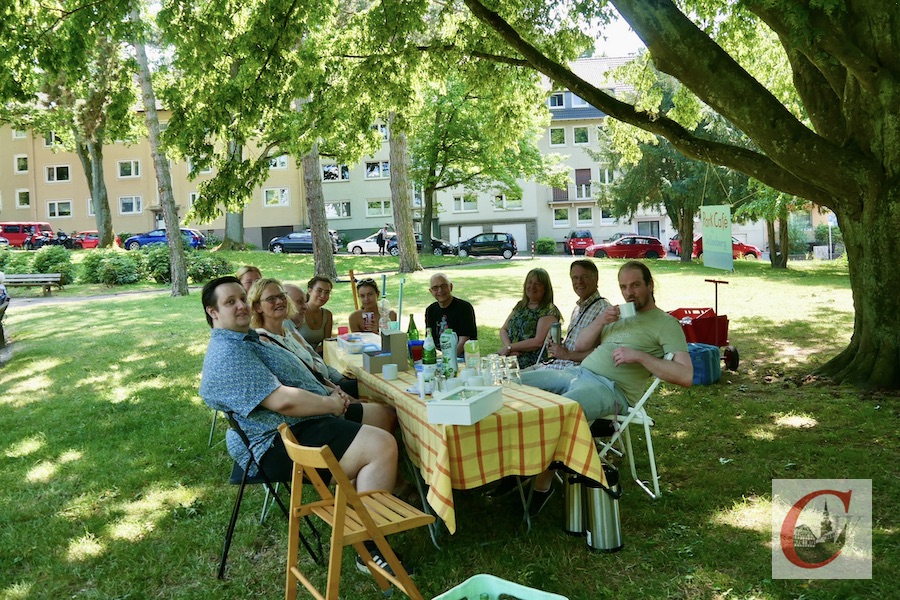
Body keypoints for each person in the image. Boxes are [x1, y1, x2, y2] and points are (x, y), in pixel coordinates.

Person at [199, 276, 406, 574]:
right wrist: (331, 404)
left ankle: (368, 494)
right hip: (279, 441)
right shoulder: (229, 352)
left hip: (302, 420)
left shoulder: (245, 339)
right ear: (213, 312)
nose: (241, 306)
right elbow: (282, 401)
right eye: (230, 302)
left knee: (383, 415)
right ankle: (371, 550)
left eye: (242, 298)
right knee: (381, 446)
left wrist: (328, 391)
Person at [515, 261, 693, 514]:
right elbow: (578, 347)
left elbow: (685, 375)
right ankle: (511, 467)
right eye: (623, 286)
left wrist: (640, 357)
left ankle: (542, 484)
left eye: (635, 285)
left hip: (611, 389)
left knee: (565, 410)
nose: (629, 293)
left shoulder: (665, 323)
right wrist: (601, 320)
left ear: (650, 285)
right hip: (576, 372)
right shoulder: (618, 315)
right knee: (512, 382)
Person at [282, 282, 362, 400]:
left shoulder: (292, 327)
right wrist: (349, 399)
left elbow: (323, 349)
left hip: (327, 378)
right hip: (322, 393)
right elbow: (312, 375)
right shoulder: (285, 330)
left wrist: (339, 378)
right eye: (299, 302)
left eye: (327, 292)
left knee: (363, 384)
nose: (304, 306)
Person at [532, 260, 609, 370]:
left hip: (573, 372)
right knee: (512, 376)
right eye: (575, 278)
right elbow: (570, 347)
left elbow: (605, 352)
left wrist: (568, 355)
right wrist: (558, 346)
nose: (579, 282)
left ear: (596, 279)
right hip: (556, 365)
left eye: (584, 277)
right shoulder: (577, 309)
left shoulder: (604, 310)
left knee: (515, 380)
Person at [497, 268, 562, 369]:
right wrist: (508, 348)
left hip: (532, 363)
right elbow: (504, 329)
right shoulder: (521, 305)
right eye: (530, 282)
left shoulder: (549, 310)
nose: (532, 287)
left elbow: (538, 342)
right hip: (511, 356)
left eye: (538, 284)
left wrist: (510, 348)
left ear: (545, 289)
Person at [424, 272, 477, 356]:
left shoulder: (464, 308)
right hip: (439, 356)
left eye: (444, 286)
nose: (440, 290)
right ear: (431, 291)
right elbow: (430, 339)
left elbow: (464, 341)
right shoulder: (430, 310)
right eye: (435, 288)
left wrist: (448, 360)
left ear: (451, 287)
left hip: (461, 356)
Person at [298, 275, 334, 355]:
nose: (323, 296)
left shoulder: (327, 315)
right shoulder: (298, 312)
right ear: (310, 290)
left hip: (317, 358)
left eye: (327, 292)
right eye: (319, 290)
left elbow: (327, 343)